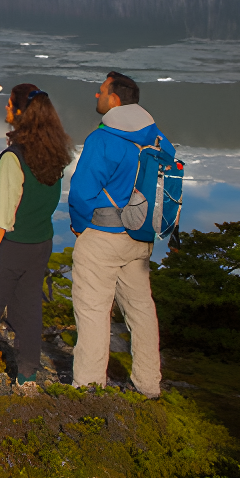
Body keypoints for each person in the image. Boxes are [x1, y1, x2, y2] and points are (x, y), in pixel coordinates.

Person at [0, 82, 72, 393]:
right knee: (28, 309)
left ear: (20, 112)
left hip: (13, 245)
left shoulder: (12, 158)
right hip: (41, 243)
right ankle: (27, 378)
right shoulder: (54, 154)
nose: (5, 109)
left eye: (9, 104)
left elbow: (5, 211)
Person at [67, 70, 175, 398]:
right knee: (141, 310)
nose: (96, 96)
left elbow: (82, 191)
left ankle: (88, 387)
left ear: (115, 98)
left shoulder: (103, 138)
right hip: (140, 237)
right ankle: (148, 383)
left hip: (101, 236)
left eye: (100, 91)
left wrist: (78, 223)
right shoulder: (158, 139)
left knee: (94, 310)